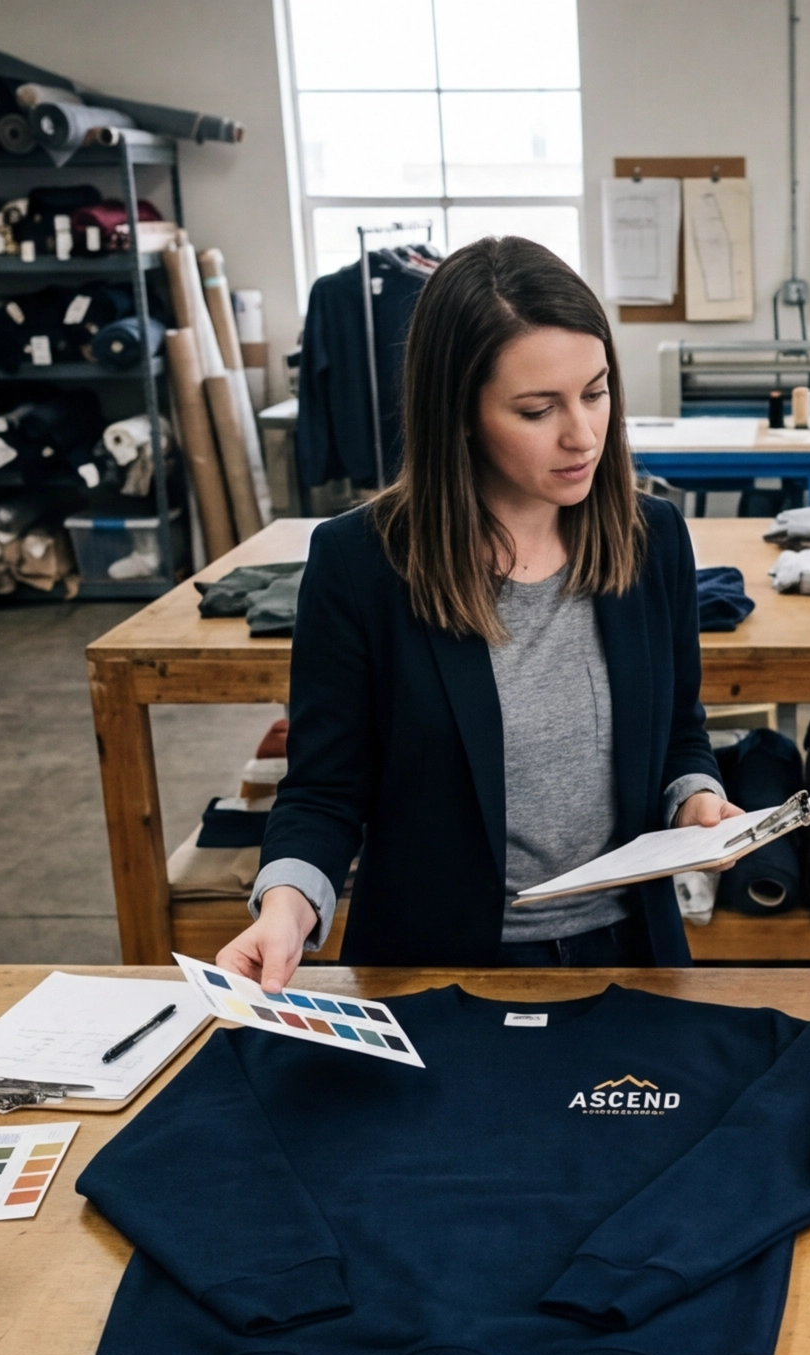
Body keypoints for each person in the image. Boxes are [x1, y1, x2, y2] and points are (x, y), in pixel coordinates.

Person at [218, 236, 740, 988]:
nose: (582, 435)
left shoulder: (651, 539)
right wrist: (286, 906)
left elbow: (680, 733)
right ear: (459, 412)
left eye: (595, 394)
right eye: (537, 409)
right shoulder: (360, 564)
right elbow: (325, 790)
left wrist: (696, 799)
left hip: (631, 959)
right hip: (438, 967)